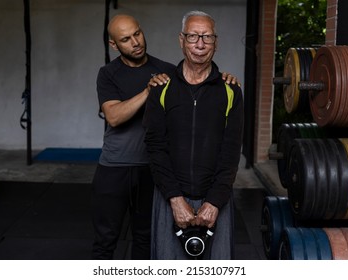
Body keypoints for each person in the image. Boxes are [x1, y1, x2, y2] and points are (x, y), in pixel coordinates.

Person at [91, 14, 238, 260]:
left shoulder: (167, 71)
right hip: (116, 165)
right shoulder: (108, 74)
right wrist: (148, 90)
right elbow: (114, 117)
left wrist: (225, 80)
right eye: (126, 39)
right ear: (115, 45)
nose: (135, 42)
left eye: (137, 34)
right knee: (106, 239)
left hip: (151, 170)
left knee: (144, 239)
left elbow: (195, 92)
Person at [143, 10, 244, 259]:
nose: (200, 44)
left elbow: (231, 152)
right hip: (171, 198)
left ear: (216, 43)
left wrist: (215, 202)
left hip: (215, 201)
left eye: (207, 37)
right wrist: (175, 200)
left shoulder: (230, 90)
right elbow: (155, 147)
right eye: (193, 36)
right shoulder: (161, 88)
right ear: (181, 40)